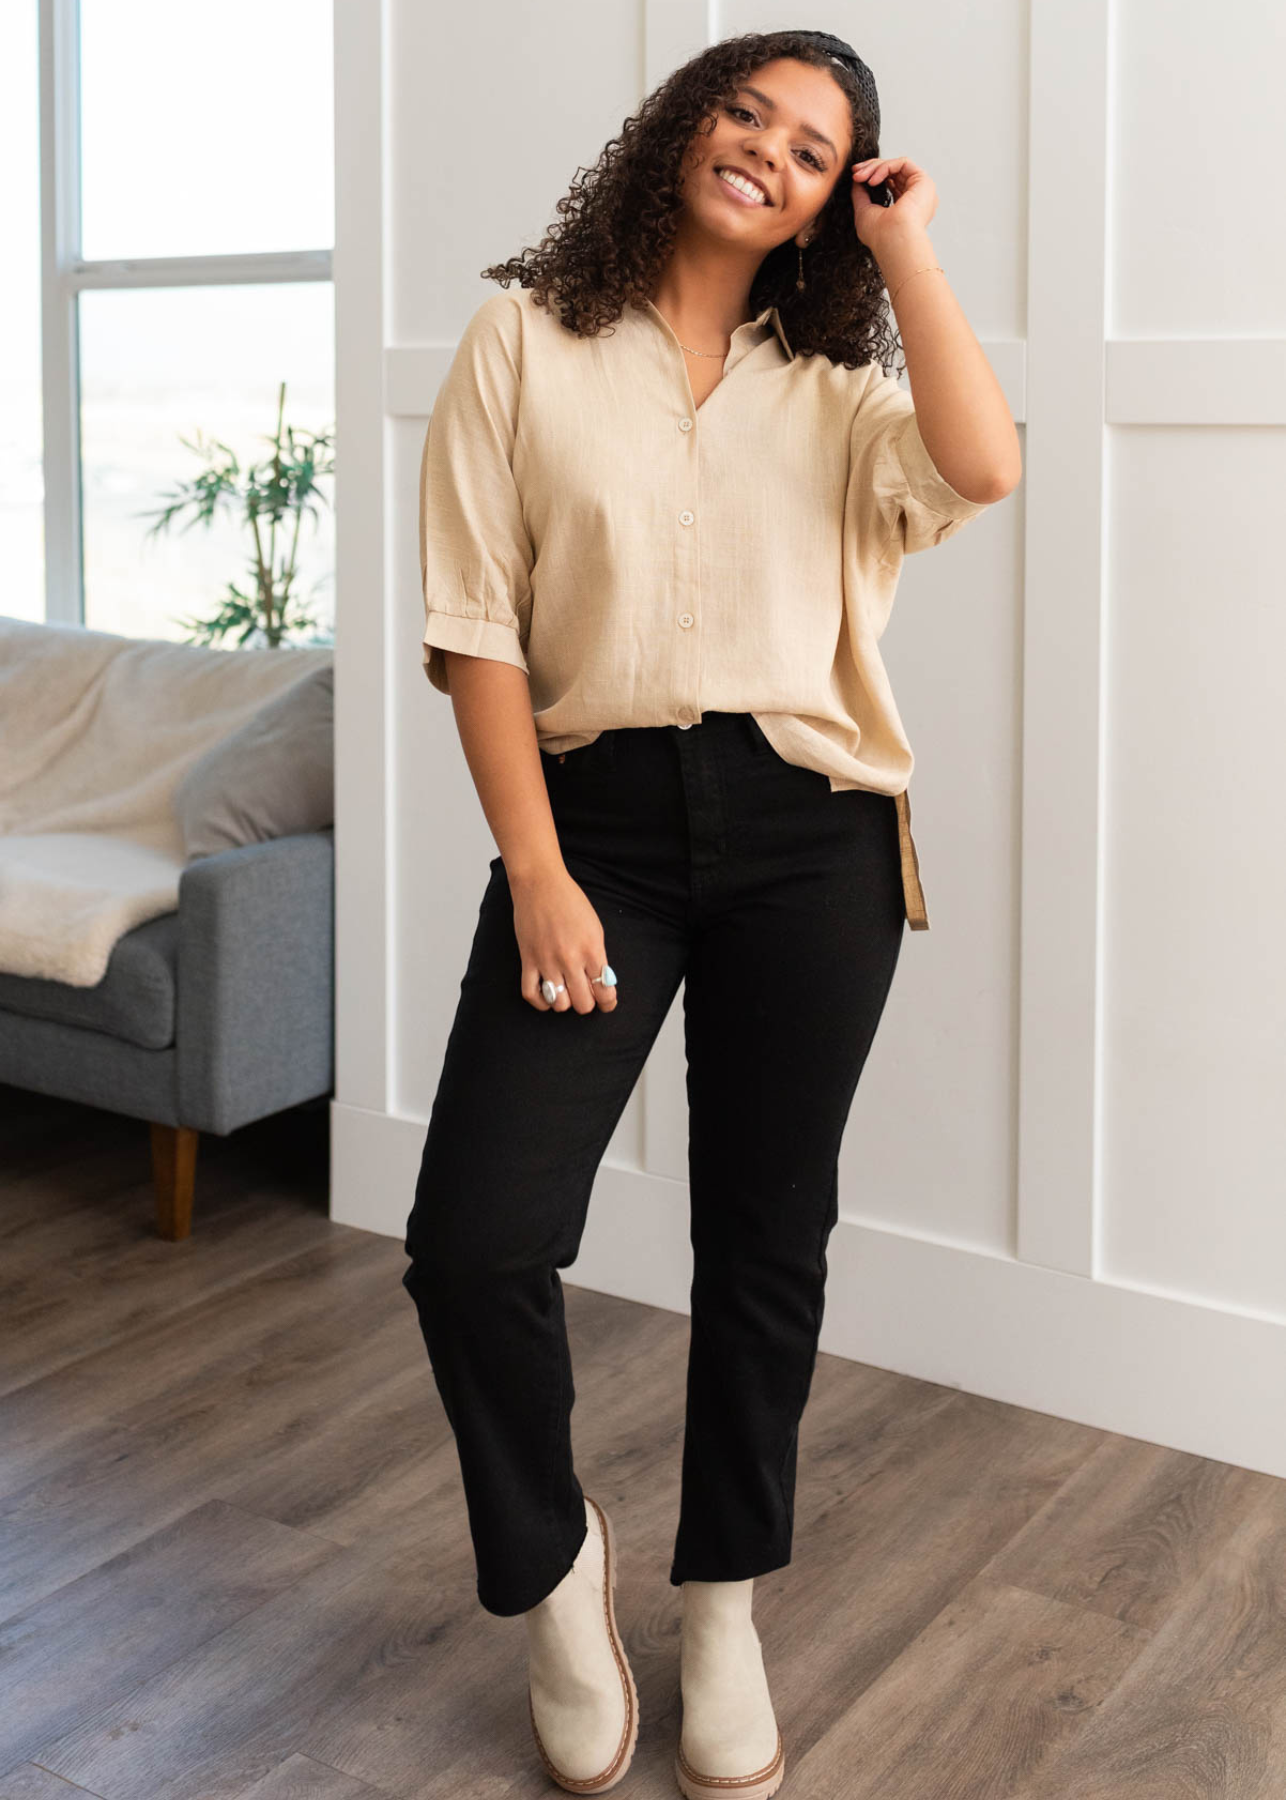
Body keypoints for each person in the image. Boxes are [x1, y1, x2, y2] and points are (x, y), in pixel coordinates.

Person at [400, 26, 1020, 1798]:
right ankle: (553, 1572)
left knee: (764, 1240)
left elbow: (983, 468)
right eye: (743, 109)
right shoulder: (523, 334)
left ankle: (728, 1597)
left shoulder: (834, 381)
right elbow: (475, 628)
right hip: (587, 827)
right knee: (476, 1243)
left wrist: (904, 250)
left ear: (835, 193)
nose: (764, 148)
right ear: (679, 124)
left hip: (810, 833)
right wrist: (535, 868)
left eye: (814, 148)